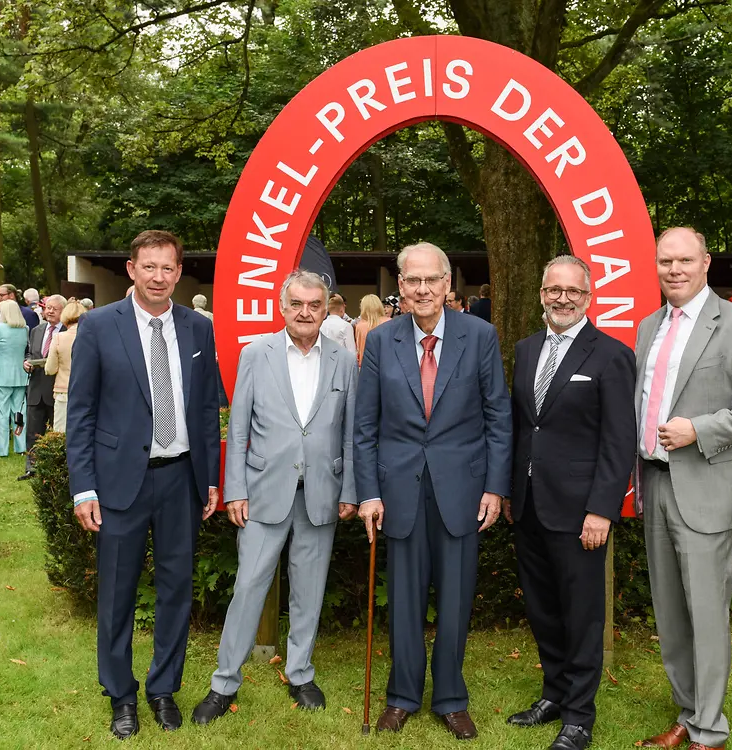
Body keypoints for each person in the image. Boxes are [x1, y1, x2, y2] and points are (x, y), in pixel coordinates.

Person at [66, 230, 221, 739]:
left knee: (177, 590)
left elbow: (203, 411)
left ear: (179, 272)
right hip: (117, 485)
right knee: (117, 595)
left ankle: (162, 689)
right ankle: (120, 695)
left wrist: (212, 479)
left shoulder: (199, 329)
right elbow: (81, 413)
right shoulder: (98, 326)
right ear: (132, 269)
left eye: (168, 268)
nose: (158, 277)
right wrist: (83, 488)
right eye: (148, 267)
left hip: (181, 479)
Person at [353, 242, 511, 740]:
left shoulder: (479, 336)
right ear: (399, 287)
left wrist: (495, 487)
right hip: (397, 490)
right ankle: (401, 696)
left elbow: (498, 418)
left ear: (447, 285)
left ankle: (449, 697)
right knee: (402, 599)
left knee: (458, 598)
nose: (422, 289)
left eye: (431, 280)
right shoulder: (380, 342)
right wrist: (369, 492)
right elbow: (365, 426)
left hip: (462, 489)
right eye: (412, 281)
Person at [635, 228, 732, 750]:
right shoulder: (648, 326)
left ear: (705, 263)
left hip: (707, 486)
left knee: (707, 615)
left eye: (684, 261)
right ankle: (687, 713)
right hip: (654, 481)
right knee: (671, 614)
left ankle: (710, 730)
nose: (674, 269)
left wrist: (701, 428)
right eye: (665, 261)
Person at [192, 270, 358, 724]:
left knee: (310, 590)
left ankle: (300, 673)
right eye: (297, 304)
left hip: (322, 494)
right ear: (281, 307)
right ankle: (224, 682)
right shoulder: (256, 354)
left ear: (326, 310)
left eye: (315, 305)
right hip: (264, 493)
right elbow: (239, 426)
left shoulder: (345, 359)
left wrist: (351, 490)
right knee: (248, 587)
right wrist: (236, 490)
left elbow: (349, 433)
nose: (306, 312)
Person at [506, 256, 636, 750]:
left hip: (582, 512)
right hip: (531, 505)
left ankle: (579, 716)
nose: (562, 298)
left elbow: (618, 440)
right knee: (542, 609)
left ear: (589, 296)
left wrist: (602, 508)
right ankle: (554, 693)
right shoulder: (525, 349)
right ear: (541, 292)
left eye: (573, 291)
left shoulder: (610, 355)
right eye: (553, 289)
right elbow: (523, 428)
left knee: (581, 616)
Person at [18, 294, 66, 480]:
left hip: (56, 388)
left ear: (63, 311)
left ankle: (56, 467)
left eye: (54, 308)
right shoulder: (37, 330)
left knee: (56, 432)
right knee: (33, 431)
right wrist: (27, 362)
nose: (50, 311)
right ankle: (32, 467)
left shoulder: (67, 332)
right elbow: (30, 353)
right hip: (36, 387)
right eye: (47, 308)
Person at [0, 300, 30, 457]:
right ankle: (20, 447)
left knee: (2, 413)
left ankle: (2, 449)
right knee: (19, 412)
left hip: (2, 375)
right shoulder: (25, 328)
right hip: (19, 374)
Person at [44, 301, 85, 433]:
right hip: (86, 391)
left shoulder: (59, 337)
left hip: (63, 390)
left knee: (61, 433)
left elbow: (50, 369)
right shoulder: (91, 336)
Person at [354, 294, 386, 367]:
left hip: (366, 365)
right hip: (387, 364)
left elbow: (359, 349)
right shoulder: (390, 322)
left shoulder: (360, 326)